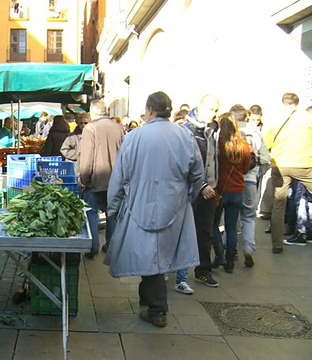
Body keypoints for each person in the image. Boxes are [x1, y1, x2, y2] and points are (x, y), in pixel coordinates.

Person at [105, 91, 203, 328]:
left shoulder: (134, 137)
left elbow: (119, 176)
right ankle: (149, 299)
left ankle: (158, 308)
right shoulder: (185, 136)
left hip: (140, 205)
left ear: (149, 110)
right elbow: (198, 174)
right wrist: (186, 195)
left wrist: (112, 207)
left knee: (150, 255)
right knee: (156, 256)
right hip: (174, 206)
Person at [263, 92, 312, 251]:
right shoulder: (307, 117)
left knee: (278, 205)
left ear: (283, 102)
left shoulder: (274, 118)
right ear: (297, 103)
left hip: (280, 164)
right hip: (304, 164)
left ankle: (277, 245)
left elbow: (266, 140)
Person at [181, 94, 220, 287]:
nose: (215, 114)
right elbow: (185, 163)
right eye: (212, 109)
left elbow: (213, 160)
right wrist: (201, 185)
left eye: (216, 110)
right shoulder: (187, 130)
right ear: (201, 107)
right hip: (190, 191)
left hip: (210, 190)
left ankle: (203, 270)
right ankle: (174, 270)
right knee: (181, 230)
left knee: (205, 232)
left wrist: (212, 185)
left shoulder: (213, 130)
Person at [78, 100, 124, 257]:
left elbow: (86, 158)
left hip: (95, 181)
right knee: (112, 215)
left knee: (91, 213)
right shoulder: (119, 128)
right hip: (115, 181)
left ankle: (92, 248)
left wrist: (84, 179)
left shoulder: (90, 128)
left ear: (93, 112)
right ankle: (111, 246)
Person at [230, 104, 271, 267]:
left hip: (232, 180)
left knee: (230, 218)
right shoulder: (254, 132)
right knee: (248, 216)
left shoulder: (228, 132)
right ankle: (248, 247)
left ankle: (231, 249)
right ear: (246, 116)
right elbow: (265, 158)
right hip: (250, 179)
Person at [211, 113, 252, 273]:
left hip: (220, 190)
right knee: (232, 227)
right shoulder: (243, 145)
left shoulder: (218, 143)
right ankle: (230, 262)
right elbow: (246, 168)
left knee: (214, 225)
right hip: (237, 190)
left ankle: (219, 253)